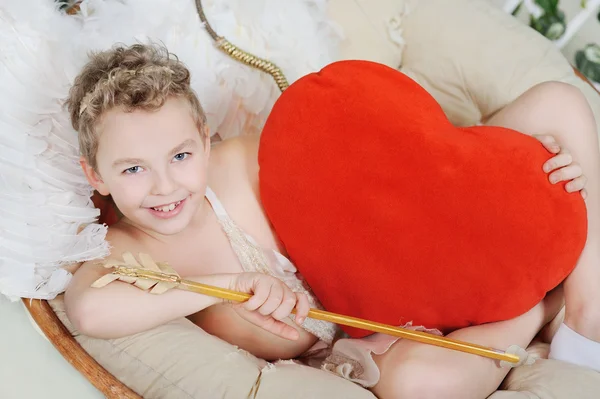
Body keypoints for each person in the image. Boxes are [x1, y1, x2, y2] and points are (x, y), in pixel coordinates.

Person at [63, 43, 597, 398]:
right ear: (97, 174)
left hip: (418, 246)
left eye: (180, 156)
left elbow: (393, 175)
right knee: (419, 386)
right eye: (133, 168)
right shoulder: (127, 247)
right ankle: (538, 306)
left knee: (559, 104)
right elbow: (88, 310)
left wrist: (519, 159)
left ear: (206, 139)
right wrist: (226, 286)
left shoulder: (244, 160)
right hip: (378, 335)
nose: (163, 186)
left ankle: (585, 312)